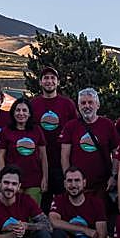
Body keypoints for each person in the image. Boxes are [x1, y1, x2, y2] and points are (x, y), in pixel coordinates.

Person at [59, 87, 119, 198]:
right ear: (78, 106)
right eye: (83, 103)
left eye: (90, 102)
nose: (87, 106)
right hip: (77, 186)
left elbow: (116, 153)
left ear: (98, 105)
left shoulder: (108, 125)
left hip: (102, 185)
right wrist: (68, 179)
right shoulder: (70, 126)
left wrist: (114, 176)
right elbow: (64, 156)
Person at [30, 66, 78, 203]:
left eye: (52, 78)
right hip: (39, 164)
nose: (49, 81)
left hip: (61, 163)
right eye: (46, 78)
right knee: (42, 204)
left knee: (63, 203)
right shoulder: (33, 104)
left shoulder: (67, 104)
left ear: (58, 82)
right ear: (40, 82)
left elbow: (75, 130)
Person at [0, 97, 47, 204]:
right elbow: (1, 157)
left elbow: (43, 156)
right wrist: (2, 178)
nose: (21, 113)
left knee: (33, 214)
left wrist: (45, 178)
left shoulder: (37, 130)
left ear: (29, 114)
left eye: (24, 110)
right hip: (12, 180)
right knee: (15, 213)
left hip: (34, 179)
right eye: (18, 110)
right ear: (13, 113)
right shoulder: (6, 131)